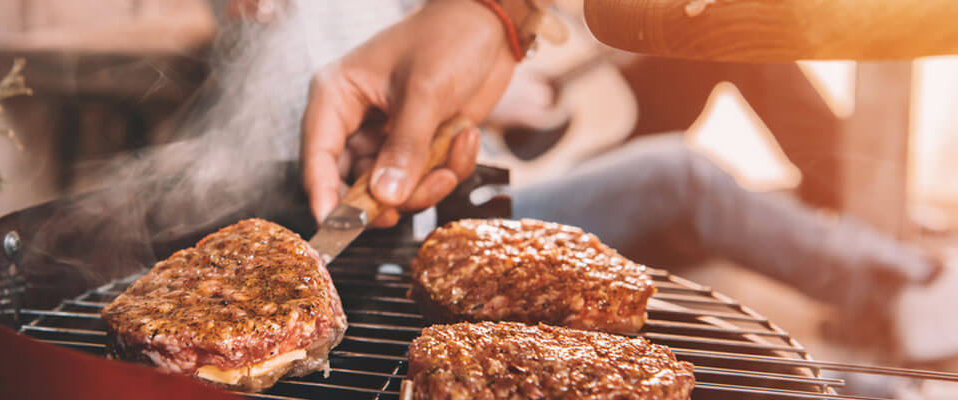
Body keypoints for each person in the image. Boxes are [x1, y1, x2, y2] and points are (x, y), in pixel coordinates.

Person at [289, 0, 943, 343]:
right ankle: (897, 285)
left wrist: (505, 37)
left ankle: (842, 199)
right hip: (472, 205)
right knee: (679, 174)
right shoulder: (291, 27)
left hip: (535, 147)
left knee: (727, 35)